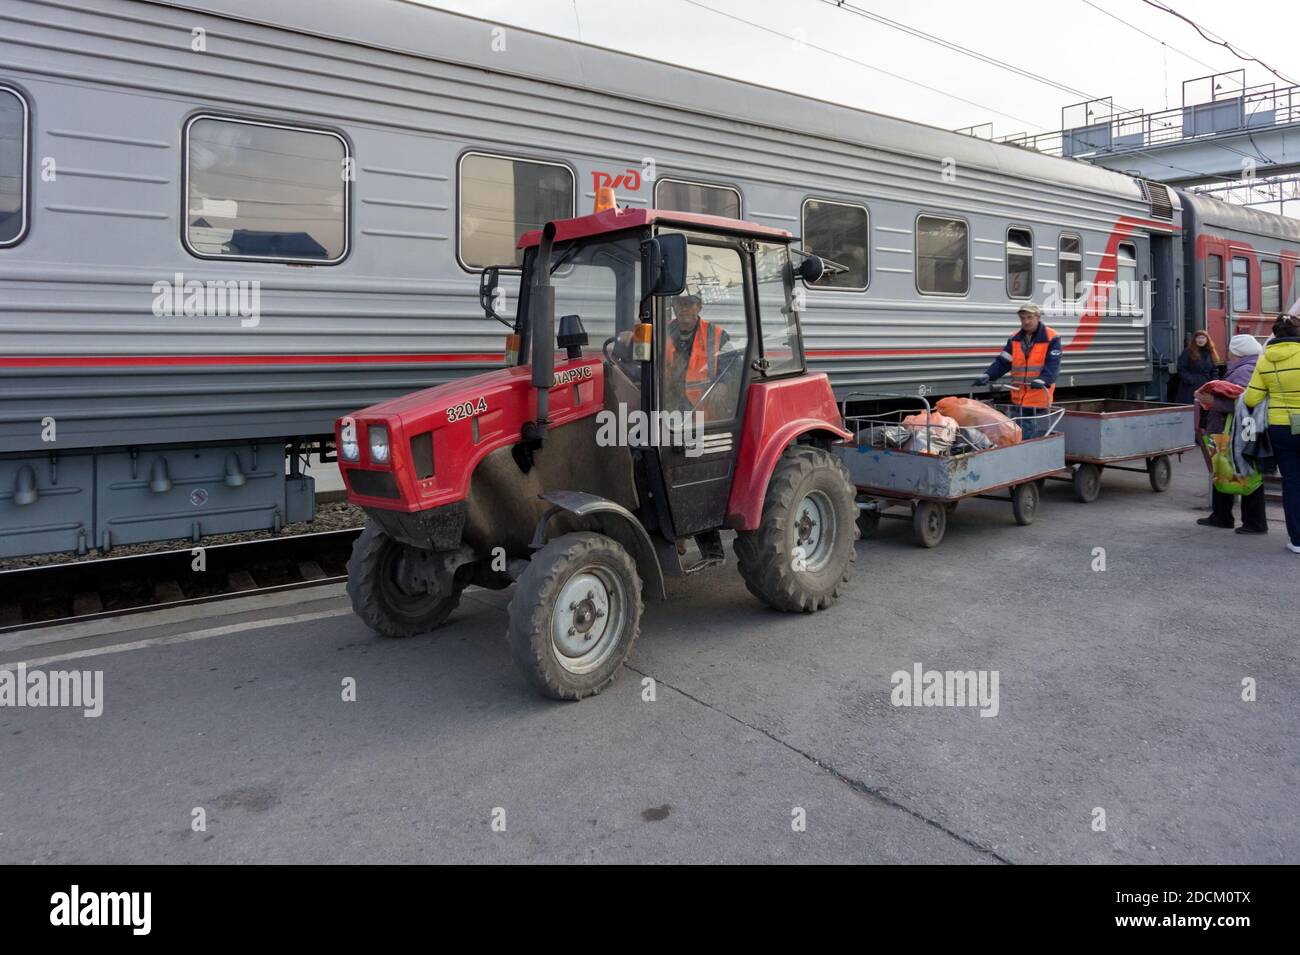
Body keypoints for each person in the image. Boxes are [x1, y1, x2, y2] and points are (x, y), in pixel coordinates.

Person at [1196, 334, 1266, 533]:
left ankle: (1253, 522)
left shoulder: (1246, 370)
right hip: (1237, 428)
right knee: (1224, 470)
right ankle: (1222, 515)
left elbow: (1245, 402)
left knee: (1244, 474)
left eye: (1230, 349)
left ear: (1238, 352)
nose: (1227, 353)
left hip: (1237, 429)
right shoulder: (1251, 366)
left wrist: (1211, 401)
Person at [1243, 314, 1300, 555]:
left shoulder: (1265, 360)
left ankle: (1297, 540)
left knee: (1292, 482)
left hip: (1281, 427)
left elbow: (1251, 398)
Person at [973, 303, 1061, 439]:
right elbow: (1003, 362)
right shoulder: (1015, 339)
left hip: (1038, 394)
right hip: (1019, 395)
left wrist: (1044, 380)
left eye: (1029, 317)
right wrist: (989, 375)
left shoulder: (1051, 337)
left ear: (1038, 317)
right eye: (1022, 318)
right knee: (1018, 428)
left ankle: (1027, 453)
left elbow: (1053, 365)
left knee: (1026, 428)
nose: (1025, 321)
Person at [662, 292, 733, 416]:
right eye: (678, 303)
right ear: (673, 307)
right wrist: (630, 337)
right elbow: (643, 346)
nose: (683, 308)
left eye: (688, 303)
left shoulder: (716, 334)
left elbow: (733, 363)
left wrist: (723, 384)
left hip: (701, 406)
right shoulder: (661, 330)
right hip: (668, 402)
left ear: (699, 307)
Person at [1175, 330, 1219, 405]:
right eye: (1198, 338)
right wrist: (1190, 379)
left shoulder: (1210, 352)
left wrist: (1213, 382)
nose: (1200, 340)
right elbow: (1181, 367)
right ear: (1195, 339)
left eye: (1203, 338)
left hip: (1205, 386)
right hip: (1190, 387)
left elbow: (1214, 369)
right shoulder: (1188, 351)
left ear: (1207, 340)